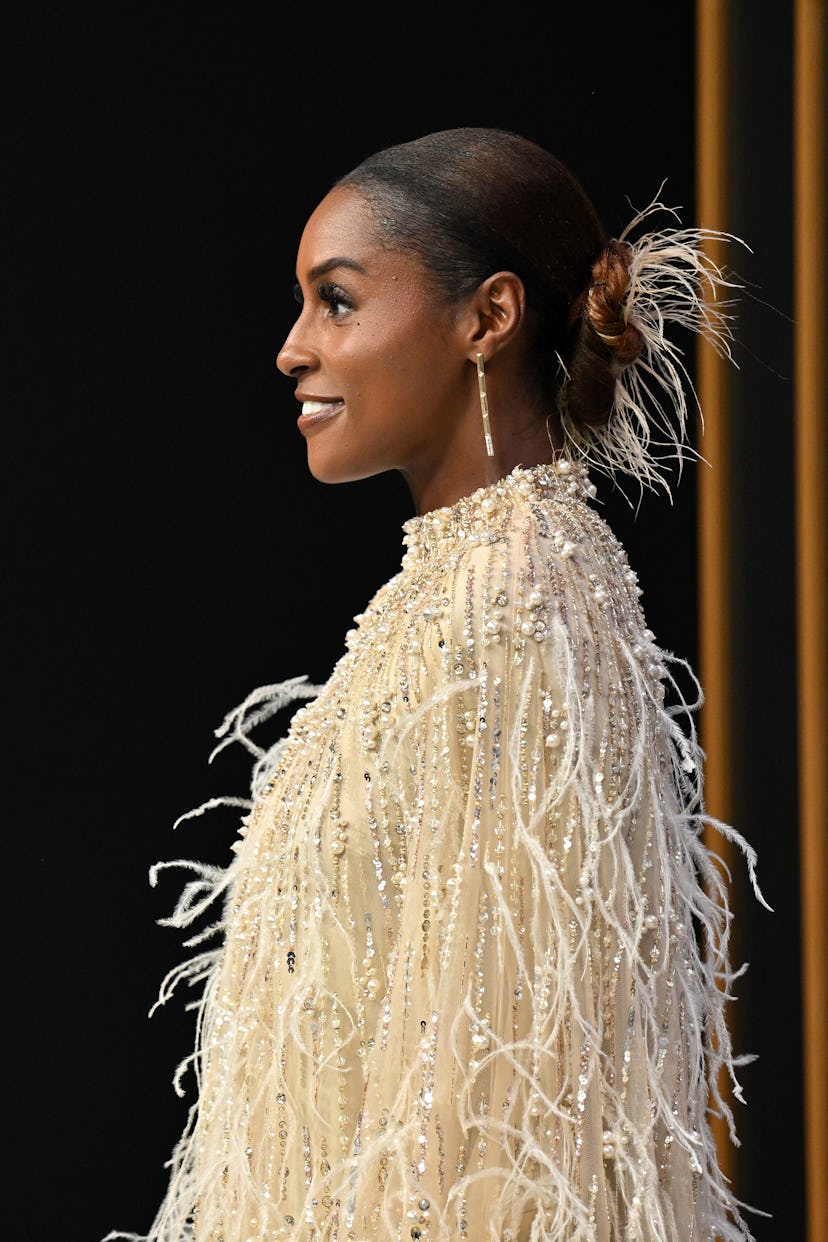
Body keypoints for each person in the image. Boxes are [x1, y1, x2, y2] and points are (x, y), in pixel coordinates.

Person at [106, 127, 768, 1242]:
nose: (291, 349)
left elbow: (513, 1099)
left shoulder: (515, 603)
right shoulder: (473, 589)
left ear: (488, 317)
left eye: (339, 301)